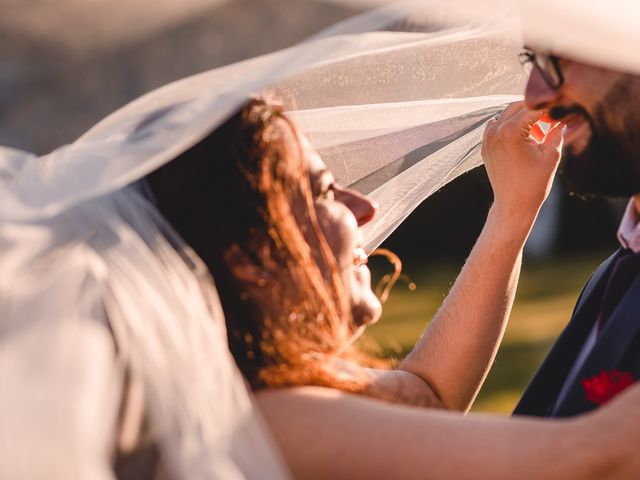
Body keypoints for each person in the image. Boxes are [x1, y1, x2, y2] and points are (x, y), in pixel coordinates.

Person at [148, 95, 640, 479]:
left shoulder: (258, 397)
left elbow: (427, 396)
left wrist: (512, 208)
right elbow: (596, 458)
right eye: (322, 191)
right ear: (247, 258)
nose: (366, 209)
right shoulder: (271, 422)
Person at [513, 47, 640, 418]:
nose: (534, 95)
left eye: (561, 56)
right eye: (530, 61)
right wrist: (513, 208)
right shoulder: (614, 271)